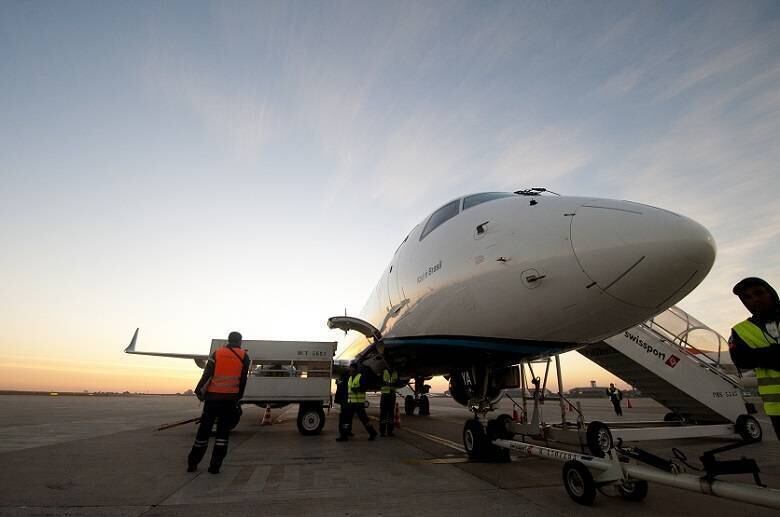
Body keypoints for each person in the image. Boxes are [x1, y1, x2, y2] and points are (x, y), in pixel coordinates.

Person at [187, 331, 251, 474]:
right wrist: (238, 397)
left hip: (212, 400)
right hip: (229, 401)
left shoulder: (217, 354)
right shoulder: (244, 357)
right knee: (222, 435)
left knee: (203, 433)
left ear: (228, 340)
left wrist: (199, 391)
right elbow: (243, 380)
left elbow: (207, 374)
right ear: (240, 341)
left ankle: (193, 463)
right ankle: (214, 467)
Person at [729, 277, 780, 440]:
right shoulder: (740, 330)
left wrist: (760, 355)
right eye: (747, 297)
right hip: (777, 409)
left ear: (771, 293)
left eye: (759, 293)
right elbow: (742, 361)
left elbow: (751, 358)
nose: (754, 299)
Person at [336, 362, 377, 441]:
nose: (349, 370)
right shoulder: (350, 378)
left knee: (364, 420)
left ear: (355, 369)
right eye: (349, 368)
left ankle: (372, 433)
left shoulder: (360, 377)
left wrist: (357, 389)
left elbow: (364, 387)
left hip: (358, 403)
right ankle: (344, 436)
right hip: (351, 402)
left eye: (351, 368)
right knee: (346, 419)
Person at [379, 365, 399, 437]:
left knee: (391, 414)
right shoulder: (384, 372)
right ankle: (382, 432)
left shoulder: (395, 373)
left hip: (392, 395)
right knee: (383, 414)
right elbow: (379, 381)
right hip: (385, 395)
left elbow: (398, 382)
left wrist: (394, 384)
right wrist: (385, 383)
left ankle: (390, 431)